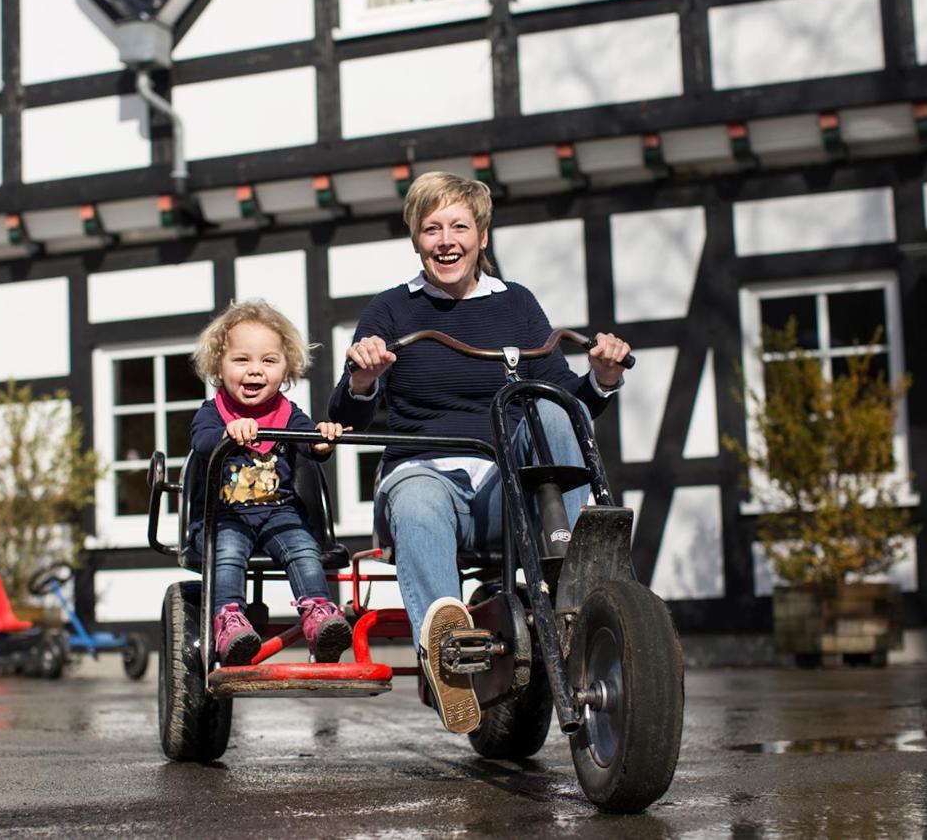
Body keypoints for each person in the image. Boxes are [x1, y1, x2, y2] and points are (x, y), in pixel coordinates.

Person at [328, 172, 631, 734]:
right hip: (424, 478)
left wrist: (603, 377)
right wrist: (363, 378)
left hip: (508, 493)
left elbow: (567, 405)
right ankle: (451, 656)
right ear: (416, 241)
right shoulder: (392, 311)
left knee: (546, 406)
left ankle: (576, 576)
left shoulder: (516, 304)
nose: (446, 240)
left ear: (482, 235)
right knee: (417, 495)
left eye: (459, 226)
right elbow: (344, 420)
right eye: (431, 228)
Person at [189, 300, 353, 666]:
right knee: (228, 552)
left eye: (268, 361)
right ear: (219, 365)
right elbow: (201, 443)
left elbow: (312, 445)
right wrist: (228, 433)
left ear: (287, 369)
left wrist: (323, 438)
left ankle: (319, 616)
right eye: (242, 360)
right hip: (224, 515)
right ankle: (229, 623)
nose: (255, 371)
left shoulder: (288, 413)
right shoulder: (212, 413)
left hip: (279, 512)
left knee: (303, 547)